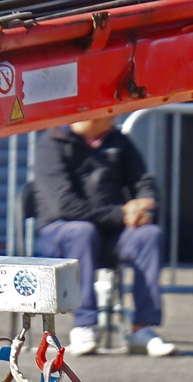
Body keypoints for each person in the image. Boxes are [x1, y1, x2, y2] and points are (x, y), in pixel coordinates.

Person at [33, 116, 176, 357]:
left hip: (109, 233)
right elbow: (64, 206)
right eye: (108, 110)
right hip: (61, 231)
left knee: (149, 235)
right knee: (82, 231)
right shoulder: (52, 143)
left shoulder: (118, 141)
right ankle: (84, 325)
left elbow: (143, 182)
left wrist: (144, 207)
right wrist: (121, 214)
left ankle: (143, 328)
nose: (113, 114)